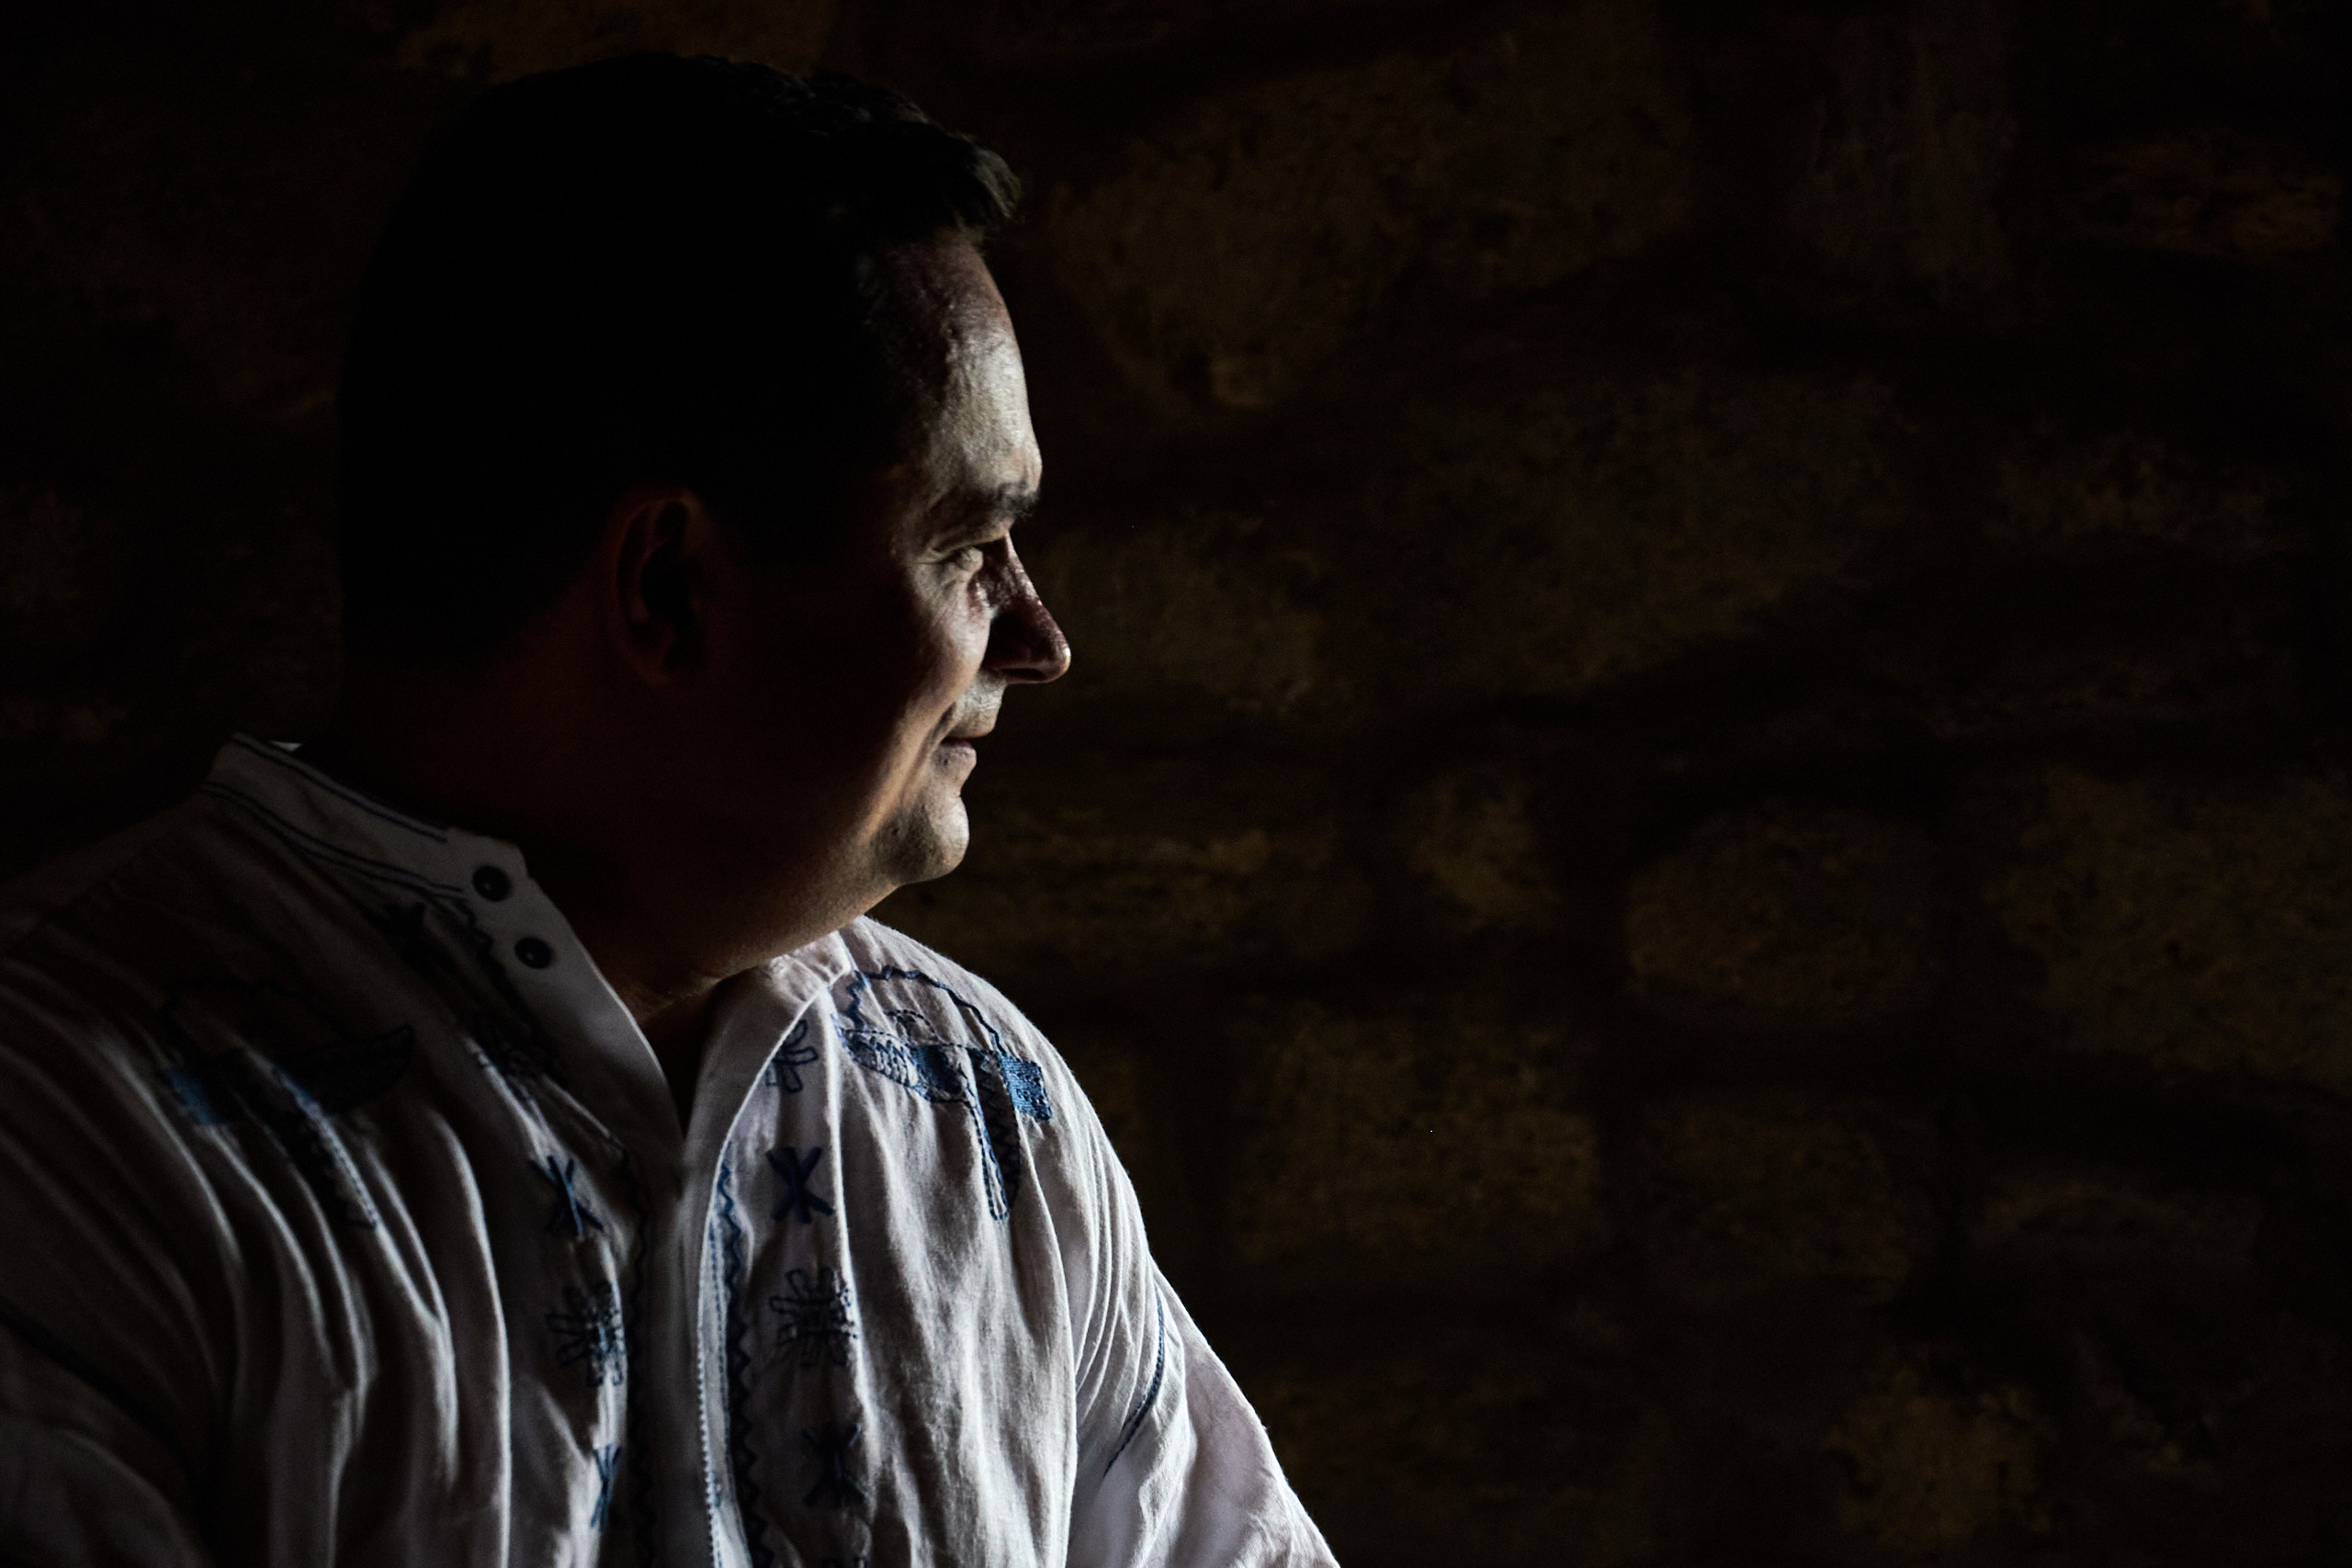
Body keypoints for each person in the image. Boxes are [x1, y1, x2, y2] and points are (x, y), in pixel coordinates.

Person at [0, 54, 1337, 1568]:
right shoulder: (67, 1136)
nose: (1039, 641)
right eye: (970, 546)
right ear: (667, 591)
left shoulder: (984, 1114)